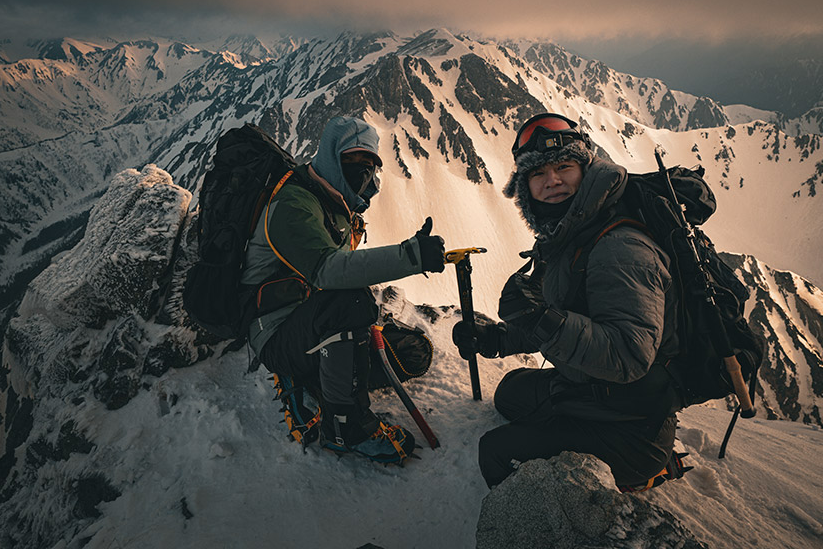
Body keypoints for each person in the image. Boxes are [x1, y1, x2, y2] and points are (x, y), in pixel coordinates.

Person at [452, 113, 680, 489]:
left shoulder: (618, 246)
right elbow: (562, 313)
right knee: (511, 393)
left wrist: (541, 319)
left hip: (631, 427)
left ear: (585, 168)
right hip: (597, 393)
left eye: (564, 167)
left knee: (494, 451)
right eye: (538, 173)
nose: (552, 181)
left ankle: (620, 485)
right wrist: (497, 339)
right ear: (525, 188)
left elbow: (629, 355)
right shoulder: (571, 232)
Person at [243, 115, 446, 464]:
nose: (363, 169)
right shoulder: (295, 204)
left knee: (412, 355)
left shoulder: (340, 205)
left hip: (314, 323)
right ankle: (345, 429)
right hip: (275, 331)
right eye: (352, 159)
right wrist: (410, 255)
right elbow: (327, 271)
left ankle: (314, 381)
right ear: (329, 156)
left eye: (370, 162)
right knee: (351, 301)